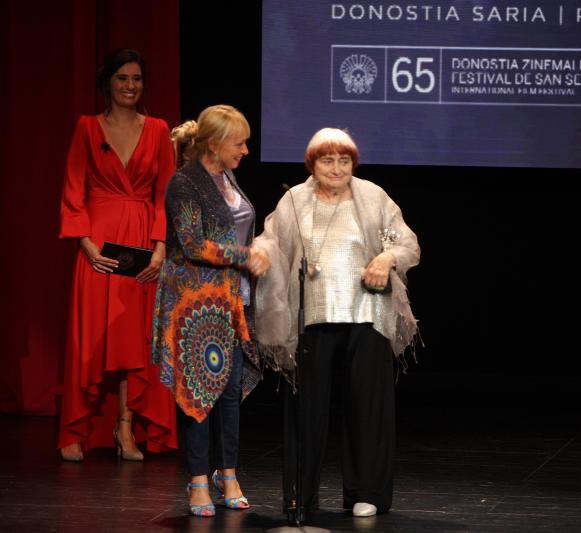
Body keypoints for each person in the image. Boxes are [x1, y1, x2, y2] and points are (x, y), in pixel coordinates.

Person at [253, 127, 420, 519]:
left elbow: (408, 243)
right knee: (305, 407)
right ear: (312, 164)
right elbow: (270, 240)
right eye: (327, 160)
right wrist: (259, 252)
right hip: (313, 315)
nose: (336, 168)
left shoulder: (373, 196)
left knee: (369, 406)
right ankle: (301, 494)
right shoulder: (295, 199)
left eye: (344, 160)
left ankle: (368, 492)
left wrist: (387, 258)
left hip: (368, 314)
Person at [58, 48, 178, 462]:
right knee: (90, 339)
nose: (131, 86)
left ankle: (125, 427)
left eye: (137, 79)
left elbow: (165, 193)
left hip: (143, 244)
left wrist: (161, 247)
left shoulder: (160, 129)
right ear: (107, 83)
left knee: (136, 341)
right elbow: (74, 189)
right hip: (97, 245)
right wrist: (86, 244)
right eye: (123, 78)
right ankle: (75, 426)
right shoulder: (87, 128)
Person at [152, 104, 271, 517]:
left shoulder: (227, 177)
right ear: (216, 144)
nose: (246, 150)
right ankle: (199, 479)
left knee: (230, 394)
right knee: (199, 394)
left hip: (233, 300)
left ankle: (228, 474)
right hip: (197, 305)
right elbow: (192, 244)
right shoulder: (185, 183)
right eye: (240, 143)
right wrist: (245, 256)